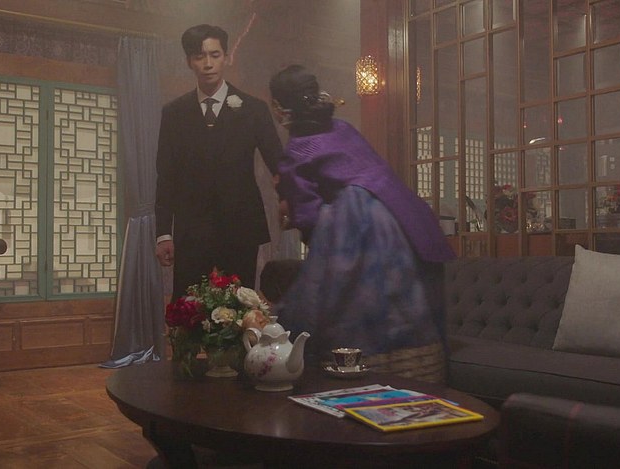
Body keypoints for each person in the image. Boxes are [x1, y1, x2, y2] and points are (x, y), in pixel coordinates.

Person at [269, 65, 456, 383]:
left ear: (279, 107)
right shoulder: (344, 128)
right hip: (400, 212)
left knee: (349, 305)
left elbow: (308, 216)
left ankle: (357, 375)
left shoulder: (297, 149)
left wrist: (309, 235)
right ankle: (417, 369)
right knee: (406, 297)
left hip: (355, 224)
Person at [154, 24, 283, 297]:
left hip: (240, 228)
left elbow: (279, 166)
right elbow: (166, 177)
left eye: (215, 55)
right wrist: (164, 233)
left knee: (240, 308)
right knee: (187, 309)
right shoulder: (174, 113)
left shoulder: (254, 109)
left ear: (226, 57)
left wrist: (290, 203)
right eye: (199, 56)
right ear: (189, 61)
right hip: (191, 231)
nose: (208, 63)